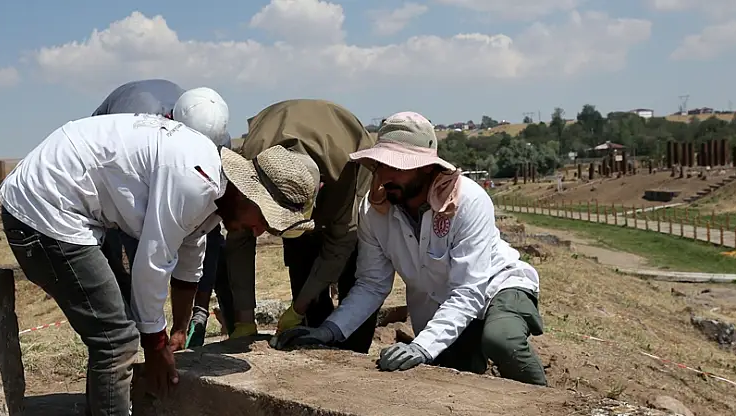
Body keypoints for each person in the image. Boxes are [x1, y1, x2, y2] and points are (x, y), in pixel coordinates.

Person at [0, 113, 321, 416]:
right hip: (45, 210)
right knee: (117, 339)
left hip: (71, 206)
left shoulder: (213, 189)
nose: (260, 232)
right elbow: (151, 265)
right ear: (250, 194)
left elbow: (189, 261)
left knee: (118, 329)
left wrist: (178, 330)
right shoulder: (193, 182)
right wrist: (155, 345)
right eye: (265, 221)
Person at [271, 111, 547, 386]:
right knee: (454, 379)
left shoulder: (469, 200)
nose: (383, 176)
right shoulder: (373, 210)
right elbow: (371, 284)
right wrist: (328, 331)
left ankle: (549, 410)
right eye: (380, 165)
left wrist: (422, 346)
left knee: (501, 339)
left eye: (396, 166)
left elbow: (468, 290)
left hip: (497, 285)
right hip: (439, 304)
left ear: (427, 168)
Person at [220, 99, 379, 352]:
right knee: (301, 256)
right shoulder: (255, 166)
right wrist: (245, 319)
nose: (260, 232)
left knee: (353, 270)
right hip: (277, 141)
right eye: (265, 220)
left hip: (350, 161)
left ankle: (352, 354)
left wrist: (297, 307)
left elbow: (340, 244)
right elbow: (239, 241)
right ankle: (311, 337)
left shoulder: (345, 178)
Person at [90, 80, 232, 345]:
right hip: (111, 174)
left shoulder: (218, 136)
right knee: (135, 240)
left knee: (205, 225)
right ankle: (130, 328)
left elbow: (200, 230)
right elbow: (150, 253)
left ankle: (195, 317)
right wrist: (154, 336)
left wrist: (182, 321)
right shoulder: (136, 123)